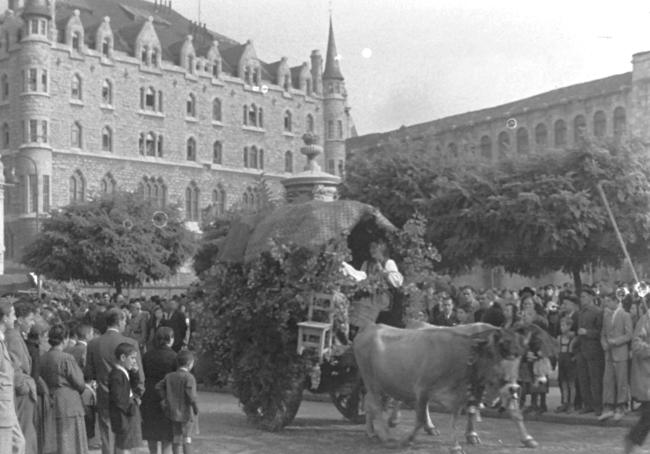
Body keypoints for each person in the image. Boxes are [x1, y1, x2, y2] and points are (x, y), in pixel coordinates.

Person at [85, 308, 144, 454]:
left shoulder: (93, 343)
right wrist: (138, 394)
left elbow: (89, 372)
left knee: (107, 433)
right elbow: (138, 371)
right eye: (124, 321)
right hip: (127, 395)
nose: (126, 324)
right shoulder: (130, 342)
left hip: (104, 392)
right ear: (120, 321)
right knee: (125, 436)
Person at [39, 324, 88, 454]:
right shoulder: (66, 358)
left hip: (50, 401)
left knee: (56, 444)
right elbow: (80, 383)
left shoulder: (43, 357)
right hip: (69, 403)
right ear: (65, 339)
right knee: (72, 443)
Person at [6, 302, 37, 454]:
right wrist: (25, 386)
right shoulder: (13, 338)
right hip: (21, 394)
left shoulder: (16, 336)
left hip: (23, 392)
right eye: (30, 319)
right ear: (20, 320)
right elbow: (14, 368)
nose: (32, 323)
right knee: (23, 435)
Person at [142, 327, 177, 454]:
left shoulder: (147, 356)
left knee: (151, 431)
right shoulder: (175, 357)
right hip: (167, 394)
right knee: (166, 433)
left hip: (149, 393)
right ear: (171, 339)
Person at [156, 350, 199, 454]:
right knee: (187, 438)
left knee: (177, 438)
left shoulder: (169, 376)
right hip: (187, 413)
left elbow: (158, 387)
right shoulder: (189, 377)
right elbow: (190, 394)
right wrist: (195, 407)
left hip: (172, 412)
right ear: (190, 364)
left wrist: (164, 400)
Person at [599, 291, 633, 421]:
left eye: (608, 301)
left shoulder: (625, 315)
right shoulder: (606, 316)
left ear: (615, 301)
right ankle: (608, 406)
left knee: (621, 380)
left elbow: (629, 334)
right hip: (609, 353)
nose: (606, 304)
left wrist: (616, 341)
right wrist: (604, 343)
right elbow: (603, 333)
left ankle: (621, 406)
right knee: (608, 380)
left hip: (621, 353)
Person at [0, 300, 26, 454]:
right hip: (2, 407)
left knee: (18, 444)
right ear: (4, 317)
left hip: (7, 405)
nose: (15, 318)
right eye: (13, 315)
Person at [108, 343, 143, 454]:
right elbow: (118, 397)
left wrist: (135, 373)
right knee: (124, 445)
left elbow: (132, 387)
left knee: (127, 444)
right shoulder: (117, 375)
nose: (134, 361)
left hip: (126, 414)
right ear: (123, 358)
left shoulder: (124, 372)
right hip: (123, 415)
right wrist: (130, 406)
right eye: (132, 358)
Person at [575, 288, 604, 416]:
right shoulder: (581, 312)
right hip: (582, 349)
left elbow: (601, 331)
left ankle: (598, 405)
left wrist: (587, 332)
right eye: (581, 297)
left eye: (585, 296)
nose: (582, 299)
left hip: (594, 349)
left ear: (591, 297)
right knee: (583, 379)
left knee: (595, 379)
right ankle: (588, 404)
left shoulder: (597, 312)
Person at [626, 302, 650, 454]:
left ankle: (631, 442)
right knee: (647, 417)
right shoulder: (645, 320)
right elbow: (636, 345)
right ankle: (631, 443)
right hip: (648, 377)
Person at [555, 316, 577, 413]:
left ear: (569, 326)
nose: (562, 327)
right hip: (562, 361)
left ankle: (571, 403)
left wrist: (573, 358)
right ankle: (565, 402)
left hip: (569, 362)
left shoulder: (573, 338)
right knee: (563, 383)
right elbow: (557, 350)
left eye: (564, 325)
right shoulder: (559, 338)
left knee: (571, 383)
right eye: (561, 325)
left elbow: (576, 351)